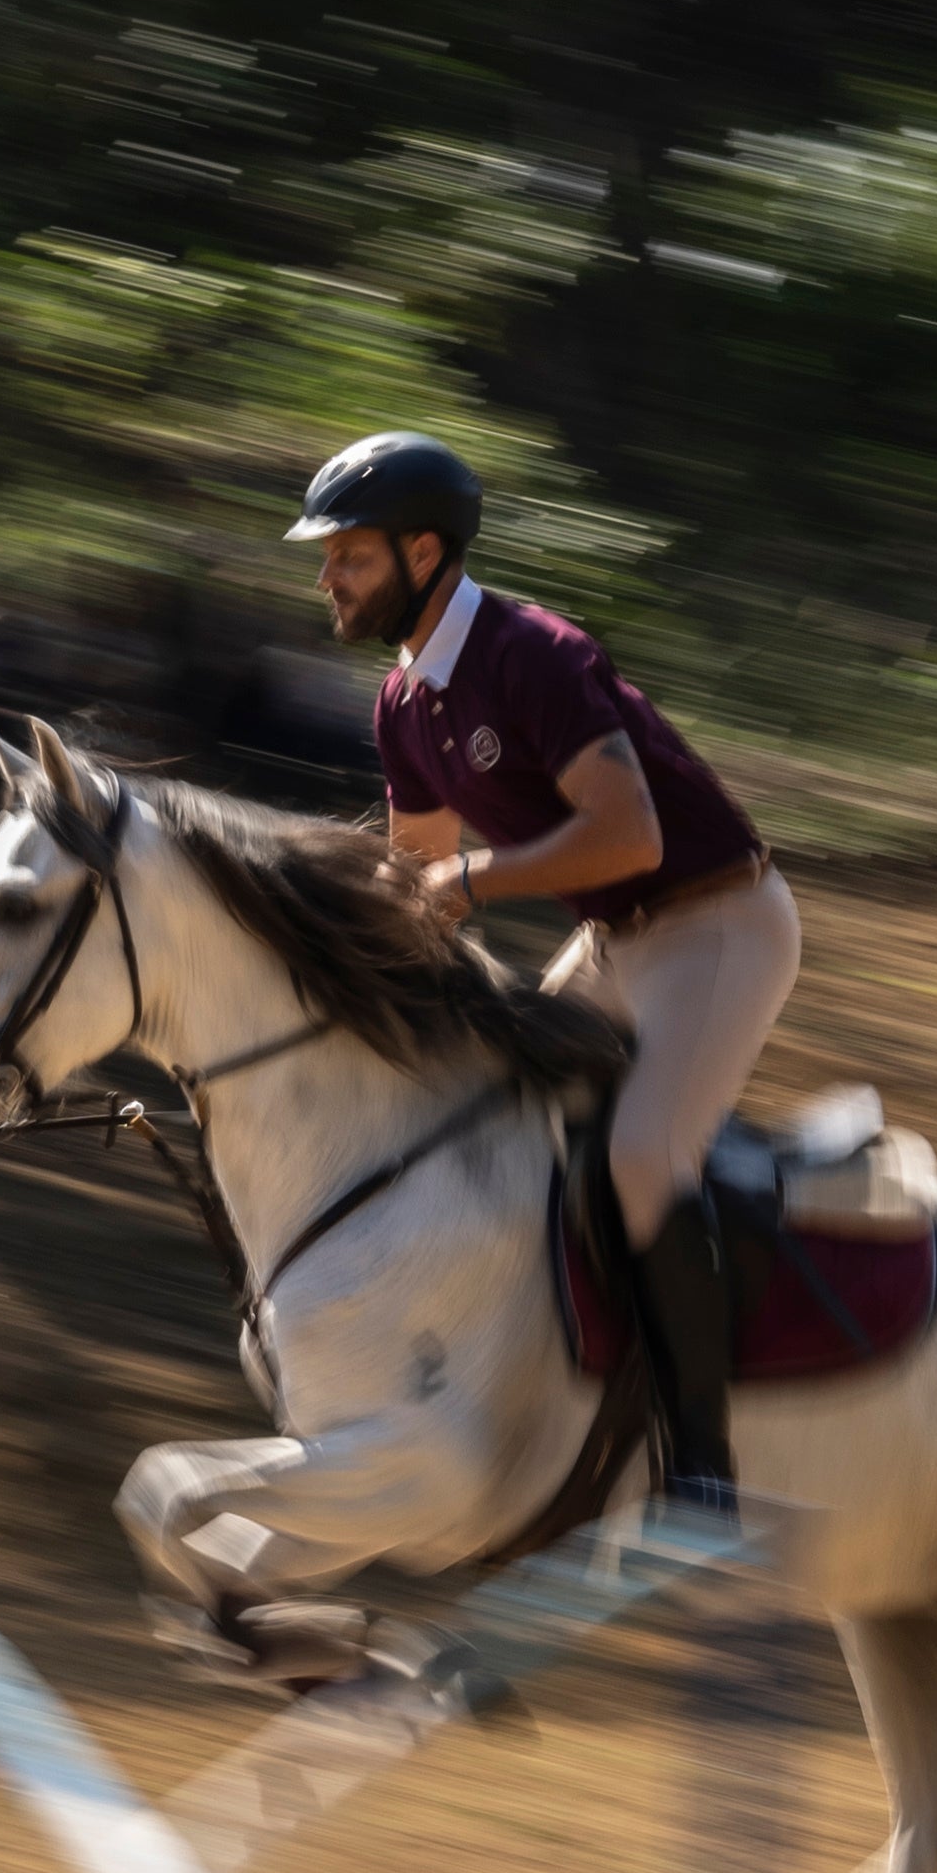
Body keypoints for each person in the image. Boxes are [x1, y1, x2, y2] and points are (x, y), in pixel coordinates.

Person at [290, 430, 794, 1517]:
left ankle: (702, 1468)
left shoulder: (533, 653)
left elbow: (629, 837)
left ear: (424, 553)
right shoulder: (401, 704)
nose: (326, 577)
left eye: (349, 555)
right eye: (326, 557)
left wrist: (472, 880)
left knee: (641, 1154)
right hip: (617, 942)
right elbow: (414, 882)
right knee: (480, 1117)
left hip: (720, 925)